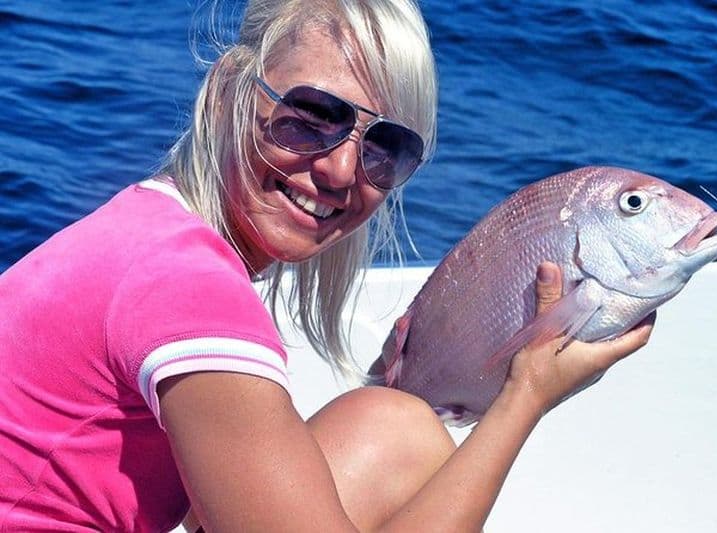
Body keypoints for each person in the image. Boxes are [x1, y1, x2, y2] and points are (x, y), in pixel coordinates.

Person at [0, 0, 654, 531]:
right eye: (312, 115)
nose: (342, 169)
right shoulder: (189, 290)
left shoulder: (147, 232)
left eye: (385, 148)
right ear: (228, 91)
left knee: (392, 428)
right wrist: (524, 396)